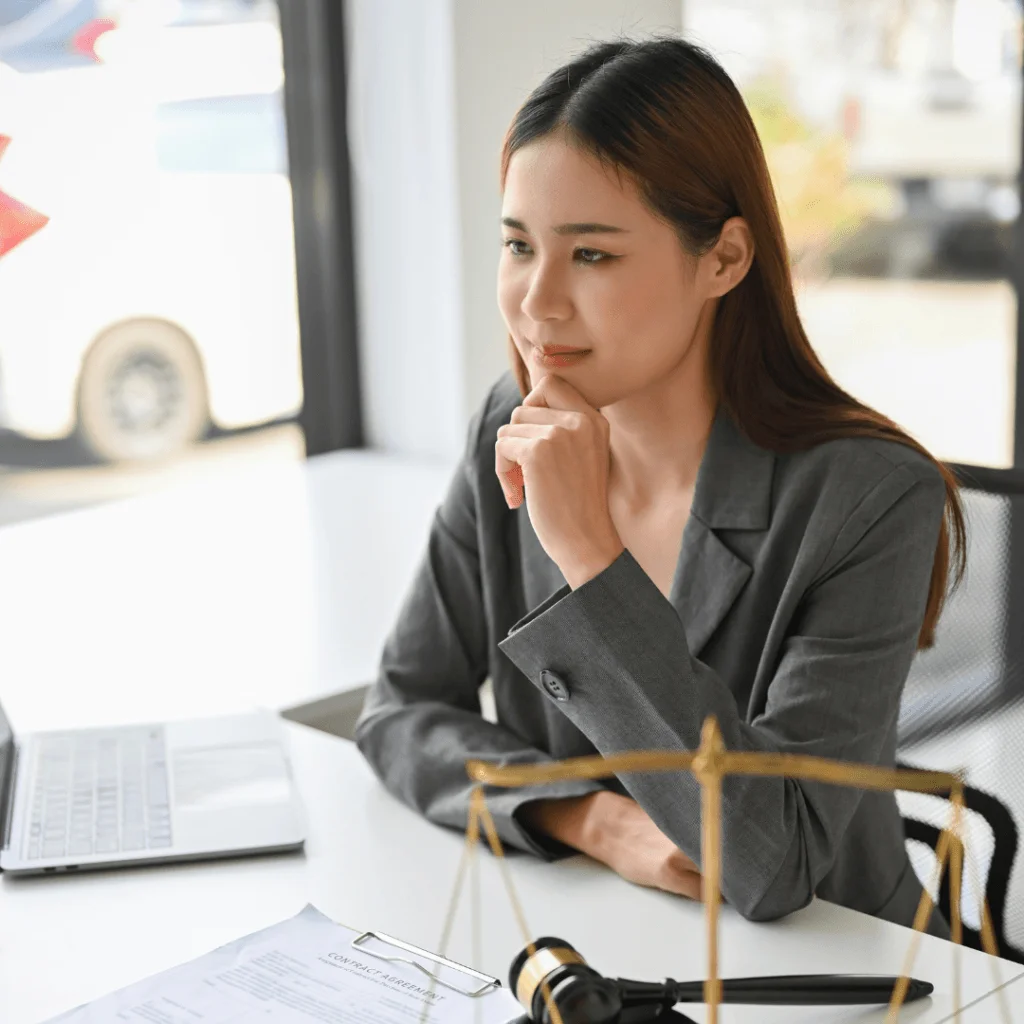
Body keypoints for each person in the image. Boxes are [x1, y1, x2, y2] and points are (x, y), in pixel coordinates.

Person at [354, 35, 965, 935]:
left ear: (723, 259)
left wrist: (590, 558)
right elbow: (400, 711)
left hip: (838, 965)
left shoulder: (870, 500)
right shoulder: (508, 426)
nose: (537, 301)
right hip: (596, 938)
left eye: (592, 255)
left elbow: (775, 861)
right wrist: (589, 820)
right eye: (518, 245)